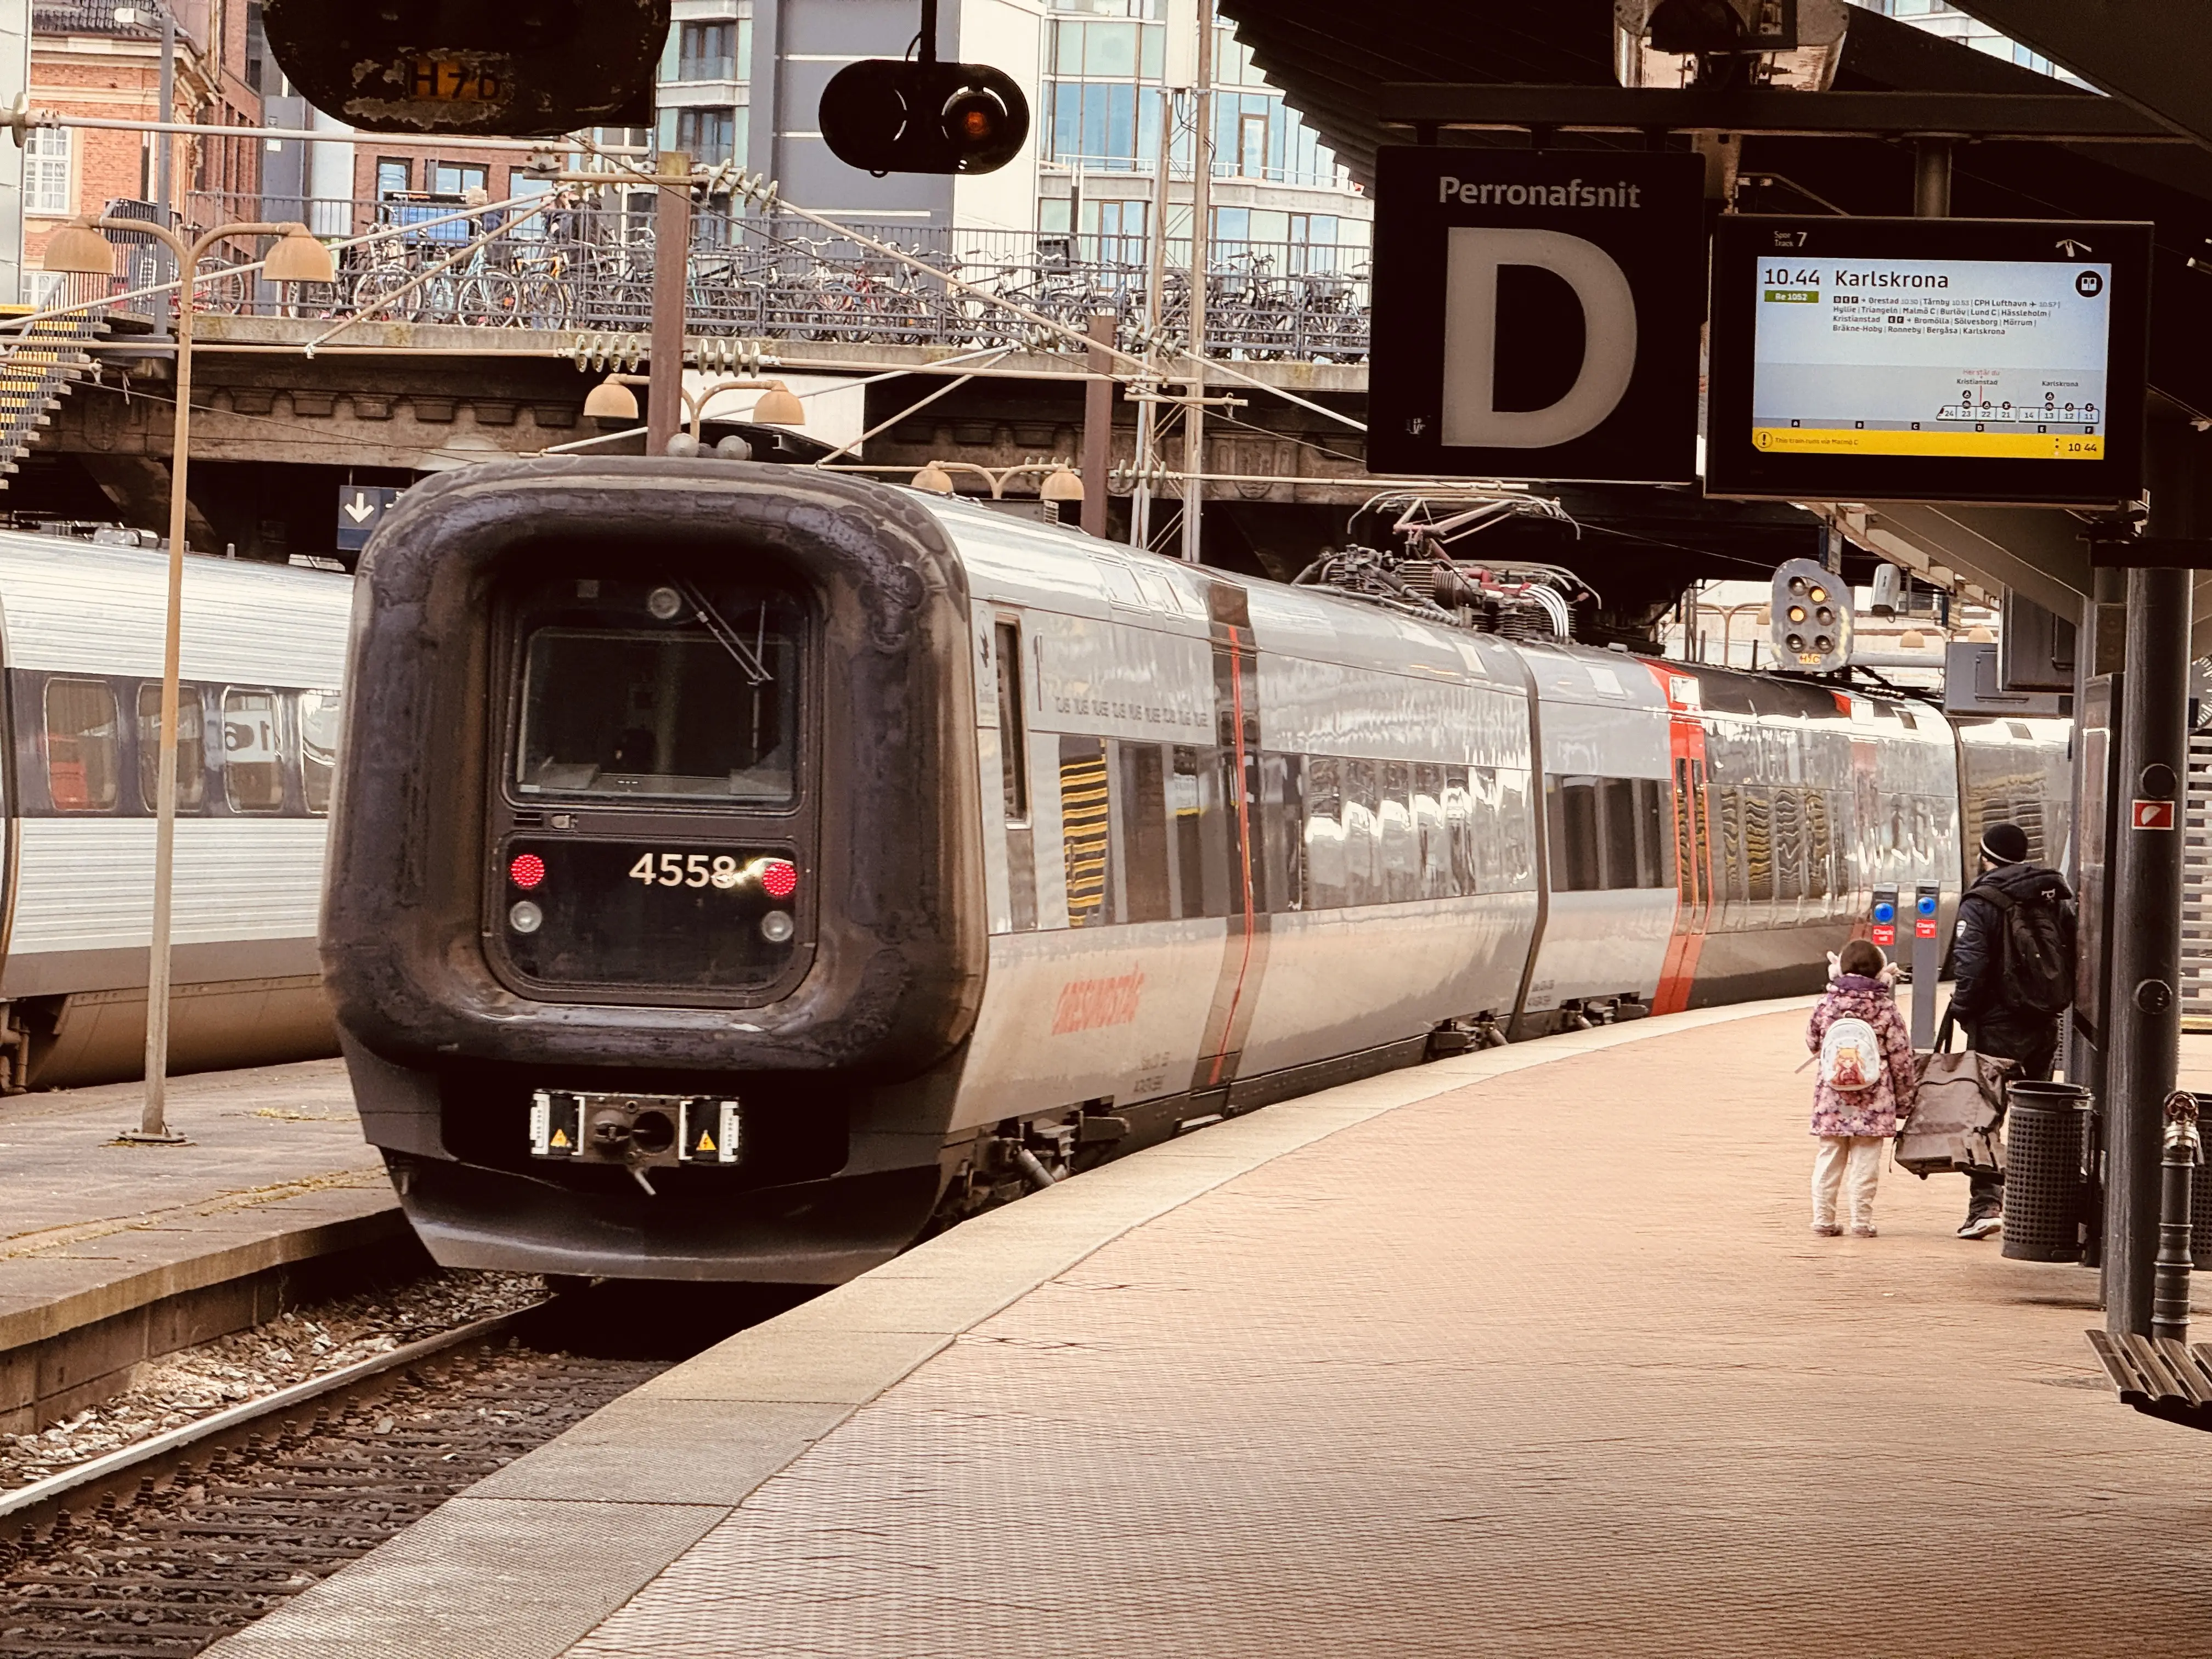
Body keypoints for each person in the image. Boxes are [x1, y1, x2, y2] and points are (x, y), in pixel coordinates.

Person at [1948, 820, 2076, 1240]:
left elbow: (1971, 967)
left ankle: (1986, 1205)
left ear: (1987, 857)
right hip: (2043, 1023)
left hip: (1996, 1026)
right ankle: (2032, 1209)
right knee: (2034, 1115)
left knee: (1985, 1114)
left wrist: (1964, 1011)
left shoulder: (1981, 899)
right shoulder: (2052, 895)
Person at [1807, 938, 1917, 1238]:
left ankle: (1823, 1220)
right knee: (1866, 1162)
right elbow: (1902, 1060)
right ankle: (1861, 1222)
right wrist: (1905, 1103)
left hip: (1832, 1097)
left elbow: (1813, 1042)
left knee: (1829, 1156)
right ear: (1882, 974)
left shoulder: (1826, 1005)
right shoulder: (1885, 1009)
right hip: (1875, 1100)